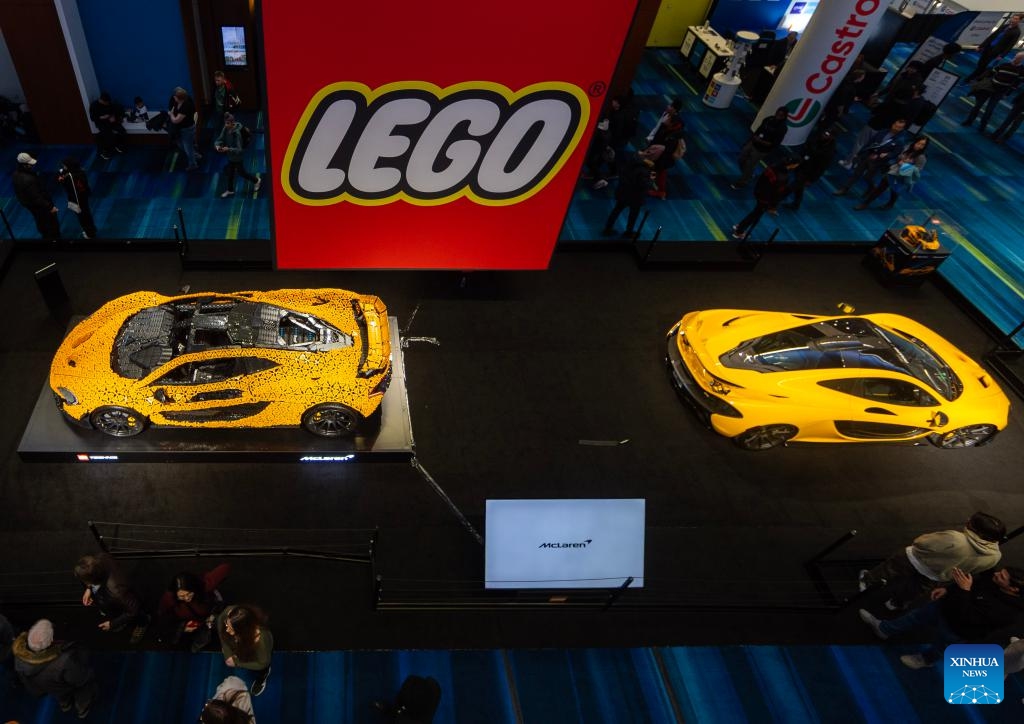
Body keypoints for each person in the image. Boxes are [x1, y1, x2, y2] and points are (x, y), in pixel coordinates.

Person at [859, 567, 1024, 669]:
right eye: (1000, 572)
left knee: (940, 647)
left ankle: (925, 660)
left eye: (1001, 576)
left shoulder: (1009, 613)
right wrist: (949, 590)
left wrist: (964, 591)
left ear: (1014, 589)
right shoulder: (992, 581)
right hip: (944, 607)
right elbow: (971, 584)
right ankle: (884, 629)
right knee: (913, 617)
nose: (996, 574)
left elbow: (968, 617)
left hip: (958, 630)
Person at [858, 511, 1004, 611]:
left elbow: (922, 542)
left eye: (971, 522)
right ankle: (895, 604)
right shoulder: (995, 556)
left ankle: (867, 582)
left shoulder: (956, 539)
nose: (967, 521)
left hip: (914, 560)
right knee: (913, 590)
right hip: (936, 576)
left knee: (889, 569)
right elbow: (971, 571)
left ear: (977, 531)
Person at [12, 619, 96, 719]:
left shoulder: (19, 657)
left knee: (61, 695)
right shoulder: (63, 661)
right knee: (83, 692)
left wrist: (39, 692)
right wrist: (88, 675)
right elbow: (79, 679)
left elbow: (26, 681)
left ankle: (65, 704)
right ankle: (82, 708)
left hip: (51, 688)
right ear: (51, 640)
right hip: (66, 685)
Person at [73, 553, 149, 644]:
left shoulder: (117, 592)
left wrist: (113, 624)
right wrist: (89, 589)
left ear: (92, 580)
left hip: (125, 599)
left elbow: (133, 610)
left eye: (84, 581)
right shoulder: (100, 559)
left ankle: (143, 623)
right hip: (115, 597)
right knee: (119, 608)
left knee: (138, 614)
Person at [157, 563, 230, 652]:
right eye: (182, 596)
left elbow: (225, 567)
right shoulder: (168, 599)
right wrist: (182, 628)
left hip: (210, 617)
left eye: (189, 594)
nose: (187, 598)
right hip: (188, 627)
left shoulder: (203, 586)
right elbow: (163, 620)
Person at [833, 118, 906, 196]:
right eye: (895, 125)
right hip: (869, 156)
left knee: (867, 177)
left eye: (898, 127)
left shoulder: (900, 140)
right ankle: (844, 189)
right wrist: (860, 153)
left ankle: (871, 187)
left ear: (902, 129)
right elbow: (870, 142)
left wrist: (887, 155)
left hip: (878, 161)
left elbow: (895, 153)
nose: (895, 127)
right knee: (857, 173)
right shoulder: (883, 131)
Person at [731, 157, 799, 240]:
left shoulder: (774, 165)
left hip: (759, 191)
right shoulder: (783, 177)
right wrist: (772, 207)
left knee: (755, 212)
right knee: (756, 214)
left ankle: (740, 225)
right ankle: (739, 232)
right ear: (794, 165)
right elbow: (777, 193)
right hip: (765, 198)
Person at [855, 136, 929, 211]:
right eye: (918, 143)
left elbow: (918, 170)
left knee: (894, 190)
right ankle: (865, 203)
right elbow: (899, 156)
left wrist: (904, 165)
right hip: (893, 171)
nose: (919, 146)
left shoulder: (921, 157)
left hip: (902, 176)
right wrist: (900, 160)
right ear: (915, 142)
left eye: (922, 145)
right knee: (880, 188)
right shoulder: (907, 148)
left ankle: (891, 203)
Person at [217, 604, 273, 697]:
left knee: (262, 669)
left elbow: (262, 663)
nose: (227, 630)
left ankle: (263, 676)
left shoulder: (261, 640)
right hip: (241, 646)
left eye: (231, 629)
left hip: (252, 653)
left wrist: (236, 662)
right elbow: (221, 625)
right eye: (227, 624)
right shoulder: (231, 614)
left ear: (243, 630)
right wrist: (228, 654)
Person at [963, 52, 1024, 133]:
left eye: (1019, 58)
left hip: (1000, 92)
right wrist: (979, 80)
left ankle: (982, 126)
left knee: (989, 109)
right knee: (978, 105)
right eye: (1016, 57)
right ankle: (969, 121)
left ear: (1022, 60)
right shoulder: (1004, 65)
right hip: (989, 87)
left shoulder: (1021, 70)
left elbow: (1016, 83)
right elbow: (991, 72)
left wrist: (1007, 94)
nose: (1016, 59)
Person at [732, 107, 788, 188]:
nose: (778, 116)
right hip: (753, 143)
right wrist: (751, 140)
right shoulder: (769, 119)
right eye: (777, 113)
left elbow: (774, 144)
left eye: (780, 115)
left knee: (750, 165)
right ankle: (748, 174)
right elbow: (759, 130)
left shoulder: (782, 128)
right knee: (741, 158)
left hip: (761, 150)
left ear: (784, 116)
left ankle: (742, 182)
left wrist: (760, 141)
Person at [601, 154, 654, 238]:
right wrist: (651, 180)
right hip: (635, 196)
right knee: (633, 214)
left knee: (616, 210)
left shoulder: (628, 165)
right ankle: (629, 231)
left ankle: (608, 228)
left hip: (623, 192)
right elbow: (643, 184)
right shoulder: (643, 170)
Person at [785, 127, 836, 211]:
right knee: (799, 188)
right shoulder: (816, 139)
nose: (823, 135)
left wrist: (811, 180)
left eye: (827, 134)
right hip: (802, 165)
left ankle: (775, 200)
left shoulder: (829, 151)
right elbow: (806, 147)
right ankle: (796, 204)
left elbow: (821, 168)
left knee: (792, 187)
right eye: (824, 133)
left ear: (832, 137)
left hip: (809, 172)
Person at [13, 152, 60, 240]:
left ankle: (48, 237)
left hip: (30, 205)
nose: (32, 165)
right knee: (50, 224)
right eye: (29, 164)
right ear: (24, 165)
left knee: (41, 222)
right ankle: (54, 240)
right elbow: (37, 197)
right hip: (40, 206)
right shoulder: (28, 179)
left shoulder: (16, 174)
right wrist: (50, 207)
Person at [966, 14, 1023, 82]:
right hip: (988, 47)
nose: (1013, 20)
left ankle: (970, 78)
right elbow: (992, 36)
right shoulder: (1005, 26)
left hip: (996, 51)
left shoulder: (1017, 32)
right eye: (1013, 18)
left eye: (1016, 19)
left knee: (983, 65)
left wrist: (1002, 55)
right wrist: (981, 46)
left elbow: (1010, 45)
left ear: (1020, 20)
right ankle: (979, 77)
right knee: (981, 63)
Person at [215, 113, 261, 198]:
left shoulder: (237, 134)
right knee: (230, 173)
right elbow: (220, 139)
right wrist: (217, 145)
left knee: (242, 173)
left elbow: (239, 150)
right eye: (225, 123)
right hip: (230, 157)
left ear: (233, 123)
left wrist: (228, 149)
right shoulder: (225, 128)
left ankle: (256, 180)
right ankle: (230, 190)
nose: (226, 125)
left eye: (228, 123)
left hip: (237, 157)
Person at [57, 157, 97, 239]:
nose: (63, 168)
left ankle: (89, 234)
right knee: (87, 214)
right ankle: (91, 230)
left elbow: (69, 187)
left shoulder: (70, 177)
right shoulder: (80, 171)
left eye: (64, 166)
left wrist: (62, 180)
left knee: (83, 217)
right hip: (83, 196)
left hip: (77, 200)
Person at [645, 133, 685, 200]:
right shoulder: (672, 133)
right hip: (663, 160)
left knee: (656, 172)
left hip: (662, 159)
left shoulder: (672, 137)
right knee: (660, 173)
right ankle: (660, 192)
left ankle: (659, 192)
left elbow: (667, 150)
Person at [168, 87, 199, 171]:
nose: (173, 97)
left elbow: (175, 120)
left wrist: (171, 114)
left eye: (175, 96)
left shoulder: (186, 105)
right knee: (181, 144)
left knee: (187, 148)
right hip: (181, 129)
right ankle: (195, 154)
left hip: (187, 130)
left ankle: (193, 164)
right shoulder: (177, 102)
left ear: (179, 98)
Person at [88, 91, 126, 160]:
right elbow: (93, 118)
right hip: (101, 123)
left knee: (122, 130)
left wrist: (113, 116)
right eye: (106, 103)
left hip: (110, 120)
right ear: (101, 100)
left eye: (108, 103)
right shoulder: (94, 106)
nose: (107, 104)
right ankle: (108, 149)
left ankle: (118, 145)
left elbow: (113, 110)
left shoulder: (109, 104)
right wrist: (102, 117)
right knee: (108, 134)